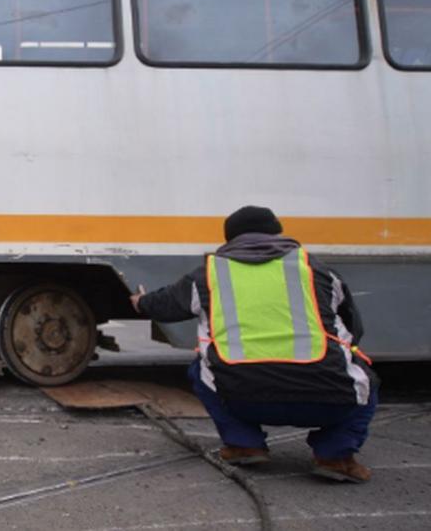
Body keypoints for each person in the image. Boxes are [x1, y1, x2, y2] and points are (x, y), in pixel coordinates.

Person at [131, 205, 378, 483]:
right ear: (277, 233)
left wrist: (141, 301)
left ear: (230, 239)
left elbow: (165, 307)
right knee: (366, 378)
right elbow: (354, 328)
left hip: (243, 397)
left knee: (200, 367)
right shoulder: (316, 270)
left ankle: (243, 444)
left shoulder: (209, 274)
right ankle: (335, 456)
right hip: (328, 398)